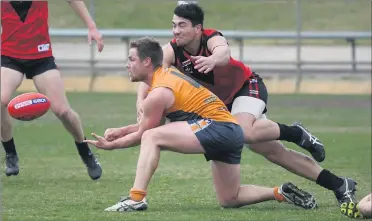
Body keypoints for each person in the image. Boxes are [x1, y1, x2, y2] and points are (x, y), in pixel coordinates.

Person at [135, 3, 358, 217]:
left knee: (245, 132)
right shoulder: (172, 50)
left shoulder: (212, 38)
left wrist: (213, 60)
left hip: (246, 88)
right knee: (273, 153)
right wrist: (141, 103)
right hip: (219, 109)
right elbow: (152, 75)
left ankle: (295, 133)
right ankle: (338, 184)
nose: (176, 31)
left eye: (182, 25)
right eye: (174, 25)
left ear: (197, 28)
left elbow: (222, 52)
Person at [84, 37, 318, 212]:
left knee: (151, 138)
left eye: (131, 59)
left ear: (147, 62)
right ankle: (279, 192)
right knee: (230, 198)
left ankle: (136, 199)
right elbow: (151, 124)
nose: (127, 65)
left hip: (218, 127)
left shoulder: (158, 92)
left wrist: (111, 145)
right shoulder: (164, 77)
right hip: (229, 130)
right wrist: (120, 131)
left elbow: (147, 132)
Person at [1, 0, 103, 180]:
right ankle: (10, 153)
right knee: (1, 100)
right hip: (10, 57)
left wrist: (91, 26)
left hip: (41, 58)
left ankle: (86, 151)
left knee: (62, 110)